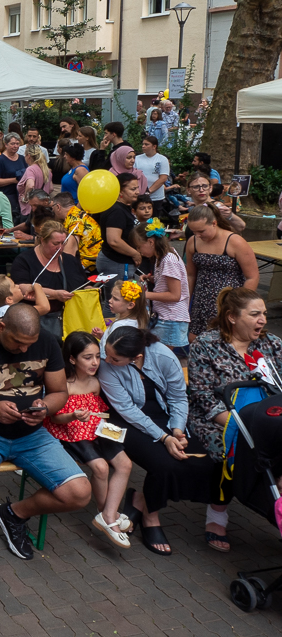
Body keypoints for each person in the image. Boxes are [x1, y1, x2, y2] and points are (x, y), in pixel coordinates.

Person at [0, 304, 91, 591]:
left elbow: (60, 392)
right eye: (18, 343)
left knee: (79, 493)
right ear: (1, 327)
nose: (24, 350)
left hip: (32, 434)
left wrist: (45, 407)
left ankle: (12, 514)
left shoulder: (47, 341)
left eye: (30, 344)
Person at [100, 326, 220, 556]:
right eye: (107, 354)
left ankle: (139, 499)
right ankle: (150, 517)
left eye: (115, 358)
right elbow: (126, 409)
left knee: (201, 460)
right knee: (163, 465)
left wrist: (176, 430)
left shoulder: (163, 355)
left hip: (163, 414)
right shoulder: (108, 365)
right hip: (123, 419)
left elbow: (177, 396)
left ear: (136, 357)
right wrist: (163, 437)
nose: (106, 360)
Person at [187, 287, 282, 533]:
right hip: (218, 418)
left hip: (268, 418)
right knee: (235, 448)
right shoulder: (206, 345)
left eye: (263, 313)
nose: (262, 319)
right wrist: (241, 426)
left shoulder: (272, 344)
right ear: (232, 317)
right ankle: (218, 509)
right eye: (254, 314)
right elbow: (203, 395)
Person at [43, 332, 133, 548]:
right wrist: (73, 415)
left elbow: (99, 412)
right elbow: (55, 417)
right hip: (69, 432)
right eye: (87, 357)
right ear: (72, 359)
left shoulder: (95, 383)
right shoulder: (64, 384)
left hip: (95, 430)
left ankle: (108, 514)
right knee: (101, 468)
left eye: (97, 356)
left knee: (125, 463)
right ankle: (108, 516)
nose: (95, 362)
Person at [185, 204, 258, 339]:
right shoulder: (193, 242)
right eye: (194, 232)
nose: (198, 235)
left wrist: (240, 305)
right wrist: (185, 302)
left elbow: (252, 277)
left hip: (228, 302)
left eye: (201, 231)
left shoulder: (235, 241)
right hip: (201, 301)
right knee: (195, 338)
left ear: (214, 223)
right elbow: (190, 275)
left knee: (226, 339)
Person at [9, 220, 84, 337]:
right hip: (32, 322)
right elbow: (22, 288)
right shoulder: (24, 260)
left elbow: (81, 283)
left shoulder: (70, 260)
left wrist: (91, 289)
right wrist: (55, 294)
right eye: (55, 244)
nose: (60, 248)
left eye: (63, 243)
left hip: (67, 321)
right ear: (43, 240)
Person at [129, 221, 191, 353]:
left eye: (139, 247)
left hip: (171, 317)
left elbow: (175, 295)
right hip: (166, 315)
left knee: (159, 356)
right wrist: (150, 278)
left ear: (151, 242)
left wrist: (144, 294)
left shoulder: (168, 260)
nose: (139, 251)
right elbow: (168, 281)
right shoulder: (163, 256)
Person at [93, 172, 143, 280]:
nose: (137, 192)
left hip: (121, 261)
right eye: (133, 189)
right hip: (116, 263)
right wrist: (135, 254)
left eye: (137, 188)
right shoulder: (117, 211)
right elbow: (114, 240)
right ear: (120, 191)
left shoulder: (123, 207)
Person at [0, 133, 26, 219]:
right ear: (6, 144)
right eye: (12, 144)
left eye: (17, 144)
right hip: (7, 195)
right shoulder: (0, 160)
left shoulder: (22, 158)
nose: (15, 146)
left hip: (21, 196)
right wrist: (13, 180)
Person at [135, 136, 170, 215]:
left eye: (146, 144)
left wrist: (149, 191)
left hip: (156, 197)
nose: (143, 146)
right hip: (140, 196)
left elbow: (163, 178)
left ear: (154, 146)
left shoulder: (162, 159)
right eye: (143, 144)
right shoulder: (137, 159)